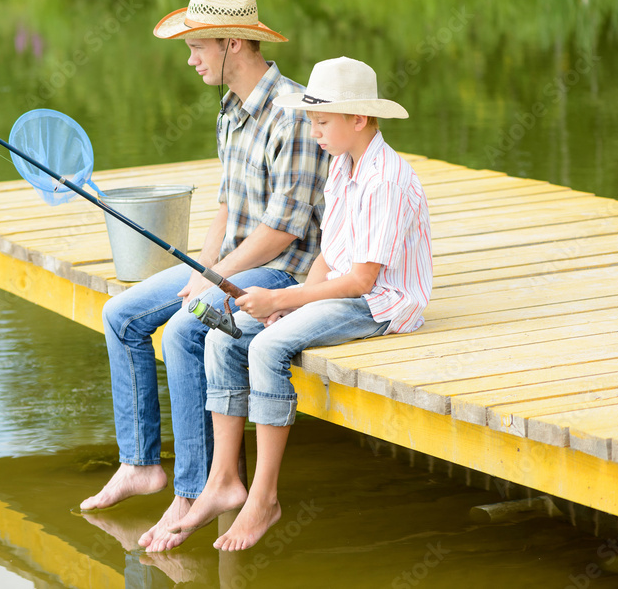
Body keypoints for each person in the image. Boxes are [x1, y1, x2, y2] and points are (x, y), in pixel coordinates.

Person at [79, 0, 328, 554]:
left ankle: (197, 489)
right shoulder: (230, 107)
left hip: (283, 273)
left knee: (189, 328)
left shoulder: (291, 115)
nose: (191, 60)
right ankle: (141, 464)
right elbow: (226, 202)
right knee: (122, 313)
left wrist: (212, 281)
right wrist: (203, 264)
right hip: (237, 262)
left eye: (198, 48)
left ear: (234, 43)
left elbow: (283, 230)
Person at [167, 56, 433, 551]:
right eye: (311, 120)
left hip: (382, 304)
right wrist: (288, 307)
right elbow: (329, 255)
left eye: (323, 121)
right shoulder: (340, 165)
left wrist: (285, 298)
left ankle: (264, 498)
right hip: (343, 290)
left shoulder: (386, 179)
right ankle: (223, 480)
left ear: (359, 119)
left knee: (267, 349)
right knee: (221, 338)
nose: (314, 131)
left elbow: (360, 281)